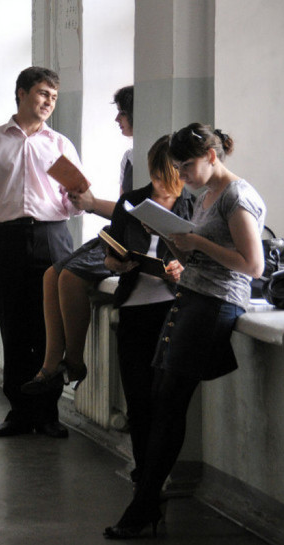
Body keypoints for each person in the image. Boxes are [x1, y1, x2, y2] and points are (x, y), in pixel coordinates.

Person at [103, 123, 265, 539]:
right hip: (192, 296)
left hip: (216, 302)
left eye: (187, 165)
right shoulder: (206, 195)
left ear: (211, 156)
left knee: (170, 402)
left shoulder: (237, 196)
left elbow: (253, 265)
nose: (182, 175)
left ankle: (144, 505)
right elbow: (197, 256)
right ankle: (147, 501)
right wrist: (174, 240)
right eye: (177, 167)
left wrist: (198, 243)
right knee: (160, 399)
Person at [0, 66, 84, 439]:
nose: (49, 102)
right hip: (7, 239)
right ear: (21, 93)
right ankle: (19, 412)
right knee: (13, 326)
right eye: (43, 93)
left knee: (50, 329)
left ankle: (48, 414)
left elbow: (75, 204)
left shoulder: (59, 144)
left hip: (52, 236)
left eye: (54, 97)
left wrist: (79, 199)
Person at [21, 85, 137, 394]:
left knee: (71, 277)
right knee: (51, 275)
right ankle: (49, 365)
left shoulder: (154, 160)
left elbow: (134, 215)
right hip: (117, 234)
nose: (117, 120)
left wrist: (93, 203)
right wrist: (86, 202)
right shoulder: (129, 157)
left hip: (134, 241)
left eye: (122, 113)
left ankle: (73, 361)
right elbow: (123, 210)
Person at [103, 135, 194, 488]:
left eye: (167, 178)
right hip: (133, 309)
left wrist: (182, 270)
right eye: (155, 176)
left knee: (165, 401)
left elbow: (203, 261)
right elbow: (111, 255)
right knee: (138, 398)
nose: (160, 185)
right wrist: (117, 263)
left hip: (172, 311)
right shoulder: (130, 203)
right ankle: (143, 474)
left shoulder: (193, 206)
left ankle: (157, 476)